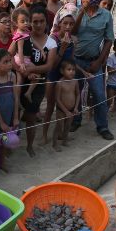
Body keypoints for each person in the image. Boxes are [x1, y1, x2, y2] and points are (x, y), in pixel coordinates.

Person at [71, 0, 115, 140]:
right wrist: (82, 11)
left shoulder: (106, 15)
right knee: (75, 92)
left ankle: (102, 127)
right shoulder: (75, 12)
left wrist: (99, 61)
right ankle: (76, 120)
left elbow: (109, 39)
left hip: (94, 61)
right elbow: (72, 33)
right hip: (76, 61)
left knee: (99, 95)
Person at [20, 5, 58, 156]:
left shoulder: (51, 43)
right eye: (35, 21)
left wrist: (31, 69)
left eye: (41, 21)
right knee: (15, 114)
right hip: (20, 80)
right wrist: (23, 70)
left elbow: (49, 66)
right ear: (30, 22)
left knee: (31, 115)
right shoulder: (23, 37)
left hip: (39, 84)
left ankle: (29, 145)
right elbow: (11, 56)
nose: (38, 25)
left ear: (46, 22)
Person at [44, 9, 76, 145]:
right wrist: (62, 48)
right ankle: (44, 135)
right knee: (50, 106)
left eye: (71, 24)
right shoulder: (52, 39)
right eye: (65, 23)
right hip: (53, 75)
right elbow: (51, 65)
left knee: (64, 106)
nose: (68, 27)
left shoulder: (72, 40)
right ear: (59, 24)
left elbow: (72, 61)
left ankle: (61, 134)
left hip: (66, 77)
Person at [9, 8, 39, 104]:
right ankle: (28, 93)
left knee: (19, 82)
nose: (26, 23)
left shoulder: (25, 32)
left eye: (27, 21)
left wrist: (41, 50)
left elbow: (33, 41)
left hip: (19, 59)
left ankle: (17, 101)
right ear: (16, 23)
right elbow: (20, 50)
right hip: (23, 59)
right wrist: (22, 63)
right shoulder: (20, 35)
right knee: (38, 74)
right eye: (23, 21)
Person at [54, 60, 81, 151]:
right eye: (69, 69)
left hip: (72, 109)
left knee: (68, 126)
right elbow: (57, 99)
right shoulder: (59, 83)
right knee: (59, 126)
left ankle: (64, 141)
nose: (71, 72)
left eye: (73, 70)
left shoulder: (75, 81)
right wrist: (65, 111)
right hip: (61, 110)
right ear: (62, 71)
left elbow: (78, 94)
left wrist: (76, 107)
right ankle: (54, 144)